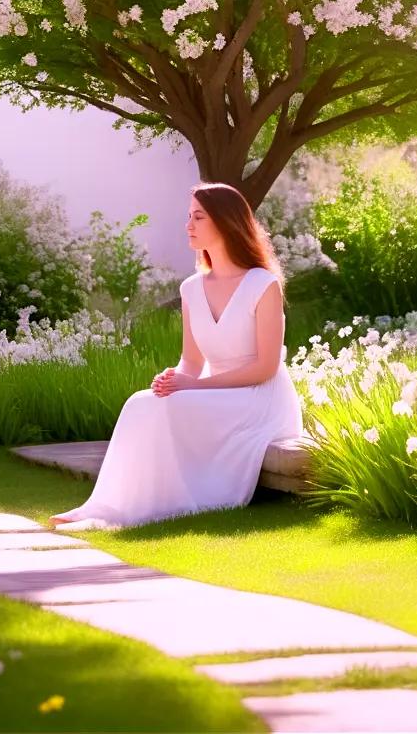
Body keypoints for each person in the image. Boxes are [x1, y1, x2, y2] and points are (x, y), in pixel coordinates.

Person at [47, 182, 304, 531]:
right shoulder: (191, 288)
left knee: (169, 406)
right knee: (141, 403)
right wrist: (173, 379)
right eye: (189, 217)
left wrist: (195, 387)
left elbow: (264, 368)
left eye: (199, 217)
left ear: (226, 222)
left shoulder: (262, 284)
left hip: (261, 399)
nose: (189, 225)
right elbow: (191, 363)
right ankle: (106, 505)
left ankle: (152, 507)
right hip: (218, 393)